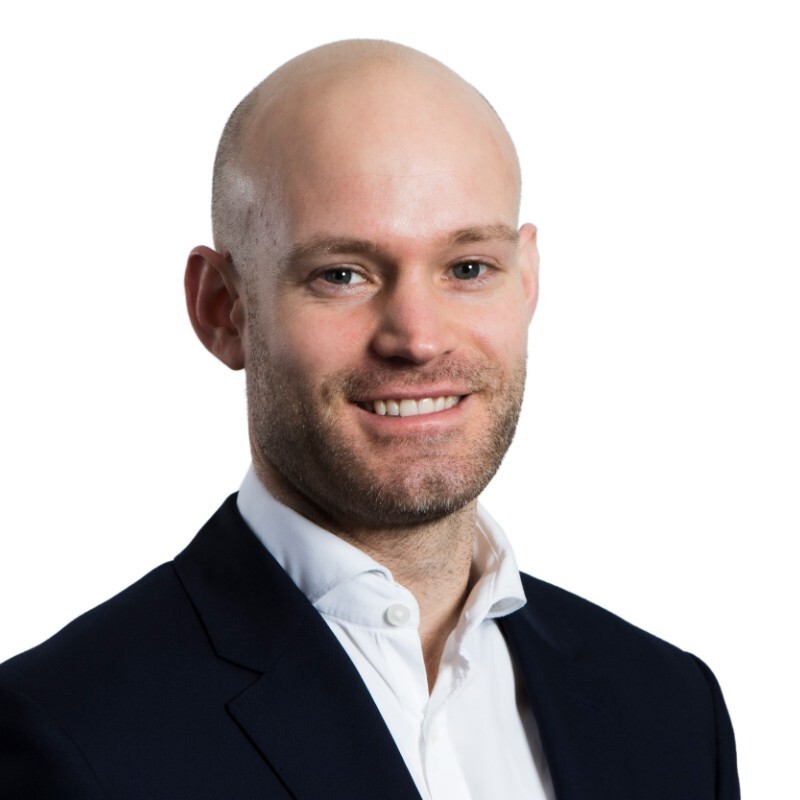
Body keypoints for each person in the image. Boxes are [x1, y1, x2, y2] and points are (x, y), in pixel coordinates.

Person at [0, 40, 739, 799]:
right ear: (223, 309)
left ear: (526, 281)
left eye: (467, 267)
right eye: (342, 274)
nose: (417, 337)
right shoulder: (64, 733)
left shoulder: (672, 711)